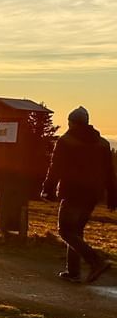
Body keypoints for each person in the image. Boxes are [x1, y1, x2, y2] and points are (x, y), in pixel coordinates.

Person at [41, 106, 117, 283]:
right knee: (76, 231)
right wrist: (113, 194)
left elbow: (55, 167)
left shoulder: (66, 141)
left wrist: (48, 188)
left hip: (73, 191)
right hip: (93, 194)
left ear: (71, 123)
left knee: (65, 231)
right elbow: (109, 172)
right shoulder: (103, 143)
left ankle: (96, 262)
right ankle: (73, 272)